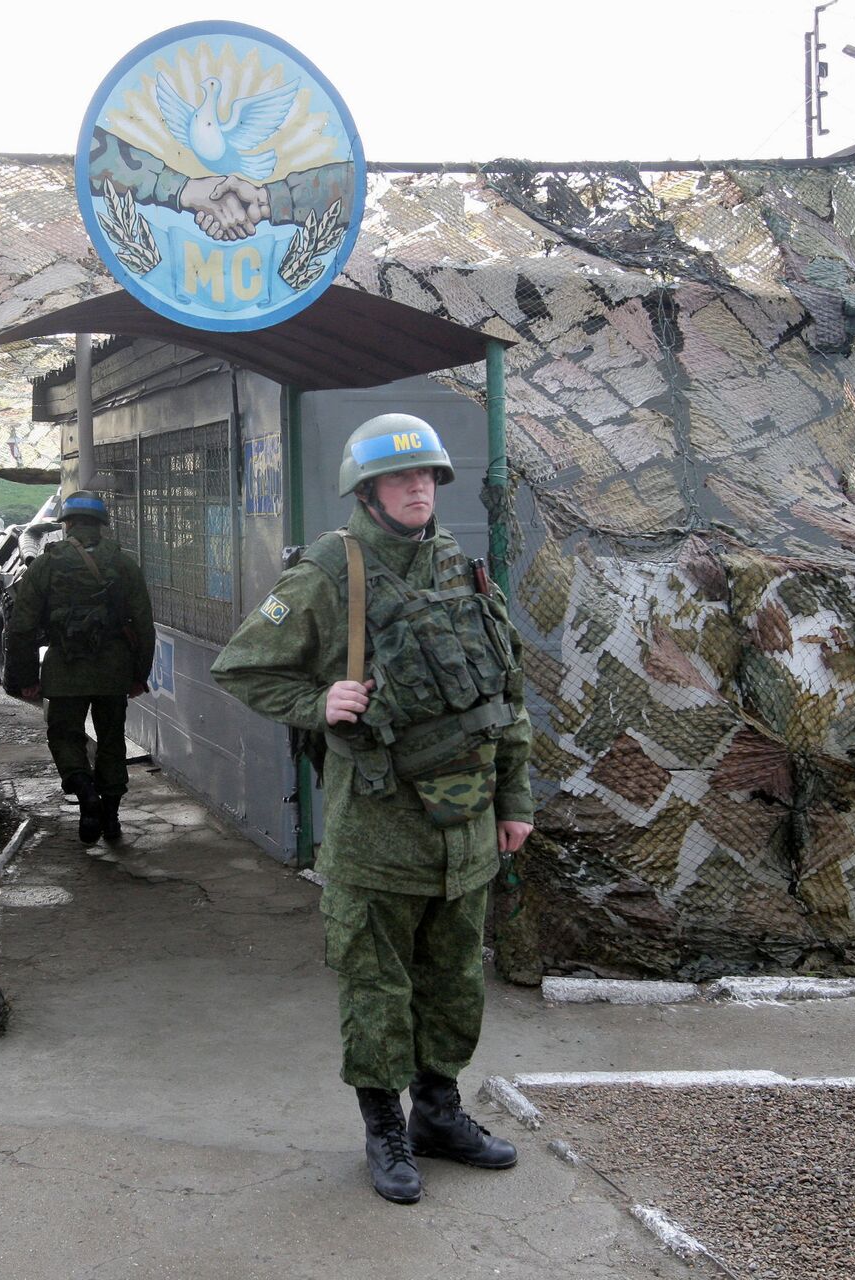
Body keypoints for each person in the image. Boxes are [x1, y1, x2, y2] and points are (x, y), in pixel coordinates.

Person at [211, 414, 534, 1205]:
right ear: (369, 490)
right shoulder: (329, 571)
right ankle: (384, 1129)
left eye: (427, 476)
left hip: (465, 827)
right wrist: (321, 699)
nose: (419, 488)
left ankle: (438, 1113)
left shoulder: (460, 566)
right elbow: (244, 667)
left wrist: (515, 799)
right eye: (401, 478)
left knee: (455, 978)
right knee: (377, 986)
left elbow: (507, 695)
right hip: (379, 828)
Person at [3, 491, 155, 844]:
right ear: (101, 526)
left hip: (65, 668)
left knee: (64, 735)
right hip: (113, 669)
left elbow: (22, 625)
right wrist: (139, 675)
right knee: (112, 739)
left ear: (67, 524)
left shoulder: (46, 563)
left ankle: (86, 794)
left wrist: (24, 679)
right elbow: (144, 623)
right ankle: (112, 818)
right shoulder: (124, 564)